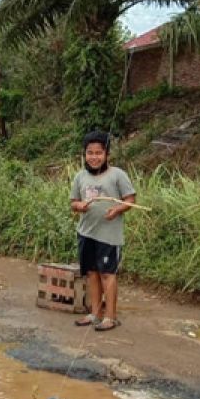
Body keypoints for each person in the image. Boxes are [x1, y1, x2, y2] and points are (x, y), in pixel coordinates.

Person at [68, 131, 136, 332]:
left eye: (99, 153)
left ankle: (110, 317)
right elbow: (73, 202)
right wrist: (79, 206)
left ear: (107, 155)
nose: (94, 157)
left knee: (108, 274)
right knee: (91, 274)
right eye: (90, 153)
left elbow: (130, 199)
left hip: (109, 236)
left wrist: (117, 209)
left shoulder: (117, 175)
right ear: (84, 154)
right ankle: (94, 314)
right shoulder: (80, 176)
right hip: (86, 233)